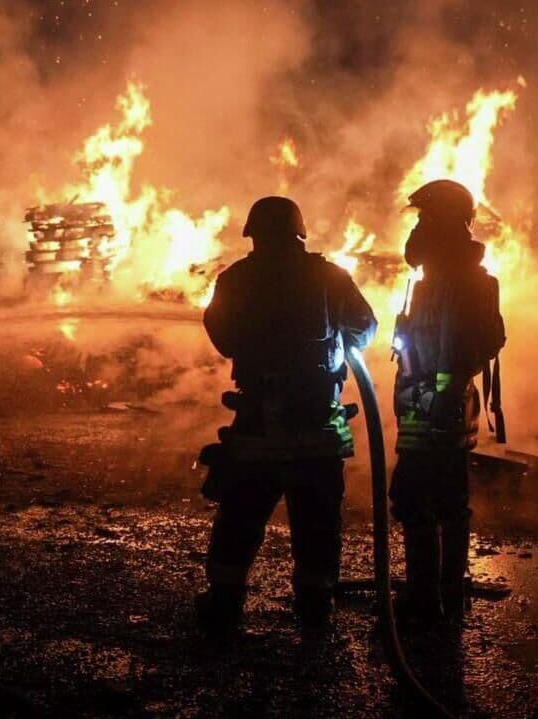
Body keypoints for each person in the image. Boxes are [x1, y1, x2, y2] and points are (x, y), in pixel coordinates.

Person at [196, 196, 377, 635]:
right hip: (317, 424)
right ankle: (315, 609)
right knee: (317, 526)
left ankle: (224, 603)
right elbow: (365, 326)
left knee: (240, 519)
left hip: (257, 423)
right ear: (300, 233)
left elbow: (221, 334)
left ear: (254, 235)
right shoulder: (329, 277)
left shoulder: (236, 279)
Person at [389, 179, 505, 625]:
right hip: (424, 406)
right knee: (436, 498)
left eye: (424, 216)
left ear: (442, 221)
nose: (417, 226)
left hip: (441, 409)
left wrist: (447, 391)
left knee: (420, 498)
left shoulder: (469, 283)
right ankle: (444, 593)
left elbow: (482, 342)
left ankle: (429, 598)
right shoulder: (432, 280)